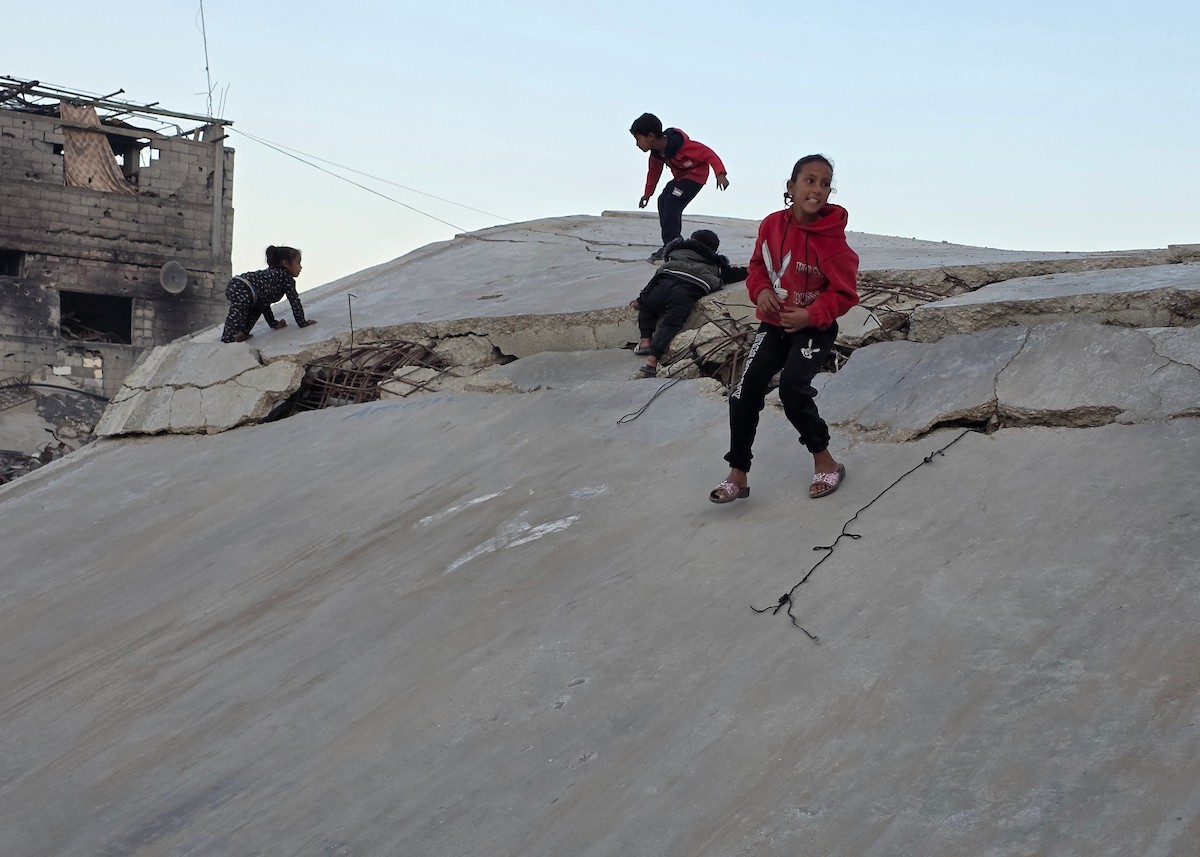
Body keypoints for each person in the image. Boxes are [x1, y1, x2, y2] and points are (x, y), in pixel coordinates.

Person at [709, 155, 860, 504]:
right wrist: (760, 291)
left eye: (825, 183)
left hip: (813, 329)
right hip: (773, 325)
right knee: (744, 392)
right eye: (809, 180)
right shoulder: (772, 225)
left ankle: (826, 462)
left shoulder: (833, 243)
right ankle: (738, 474)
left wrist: (811, 315)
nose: (818, 189)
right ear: (790, 188)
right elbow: (758, 265)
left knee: (793, 390)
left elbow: (845, 293)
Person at [629, 228, 748, 378]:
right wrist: (751, 270)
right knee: (671, 324)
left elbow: (655, 279)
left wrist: (641, 300)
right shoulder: (716, 264)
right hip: (687, 291)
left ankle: (645, 340)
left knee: (648, 306)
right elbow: (733, 275)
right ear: (714, 249)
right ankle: (651, 362)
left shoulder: (675, 254)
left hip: (665, 282)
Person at [630, 113, 729, 262]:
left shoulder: (682, 145)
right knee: (663, 200)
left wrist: (720, 174)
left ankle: (674, 244)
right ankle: (670, 243)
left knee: (671, 202)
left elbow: (708, 154)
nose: (637, 144)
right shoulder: (656, 154)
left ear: (650, 136)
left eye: (638, 139)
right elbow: (653, 173)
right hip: (680, 179)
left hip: (695, 178)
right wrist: (647, 194)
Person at [220, 245, 316, 343]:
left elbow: (265, 304)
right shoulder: (286, 278)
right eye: (298, 263)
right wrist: (302, 323)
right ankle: (227, 338)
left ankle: (242, 333)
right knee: (237, 315)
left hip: (241, 285)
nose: (301, 267)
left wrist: (273, 323)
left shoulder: (272, 277)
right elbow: (294, 301)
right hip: (243, 286)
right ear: (286, 263)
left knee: (257, 309)